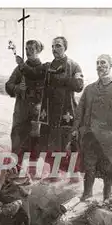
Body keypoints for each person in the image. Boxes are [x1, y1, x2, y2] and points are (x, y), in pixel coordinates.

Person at [73, 54, 112, 201]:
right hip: (90, 136)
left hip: (109, 137)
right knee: (89, 166)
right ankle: (87, 194)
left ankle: (107, 195)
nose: (100, 66)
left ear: (111, 65)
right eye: (97, 63)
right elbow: (79, 110)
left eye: (103, 63)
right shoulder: (89, 89)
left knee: (108, 168)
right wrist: (75, 129)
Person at [37, 36, 84, 170]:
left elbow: (79, 85)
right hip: (49, 112)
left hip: (66, 111)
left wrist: (63, 79)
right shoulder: (47, 66)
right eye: (52, 46)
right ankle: (54, 174)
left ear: (65, 48)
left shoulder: (73, 65)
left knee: (67, 144)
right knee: (49, 144)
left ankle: (72, 176)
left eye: (58, 46)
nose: (54, 49)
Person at [5, 40, 46, 160]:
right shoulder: (19, 70)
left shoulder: (43, 69)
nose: (28, 52)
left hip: (37, 110)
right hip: (21, 109)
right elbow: (9, 85)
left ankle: (31, 174)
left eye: (31, 49)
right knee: (17, 140)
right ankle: (15, 171)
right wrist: (17, 88)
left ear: (38, 51)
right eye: (26, 49)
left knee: (35, 143)